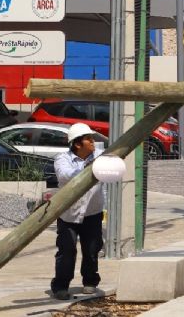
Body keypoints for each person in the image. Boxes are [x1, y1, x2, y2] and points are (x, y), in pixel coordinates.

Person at [51, 122, 105, 300]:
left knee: (91, 249)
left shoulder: (100, 156)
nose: (93, 142)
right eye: (89, 139)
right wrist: (90, 168)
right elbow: (65, 176)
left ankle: (90, 282)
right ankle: (60, 286)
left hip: (92, 212)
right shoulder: (62, 159)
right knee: (66, 251)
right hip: (68, 215)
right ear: (77, 144)